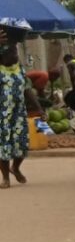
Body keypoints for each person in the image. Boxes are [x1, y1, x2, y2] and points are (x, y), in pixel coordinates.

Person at [0, 26, 41, 189]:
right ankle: (5, 178)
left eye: (15, 52)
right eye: (11, 52)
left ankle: (15, 168)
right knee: (3, 146)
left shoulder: (19, 70)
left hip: (18, 114)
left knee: (22, 144)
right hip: (2, 116)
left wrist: (39, 108)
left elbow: (26, 89)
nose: (15, 55)